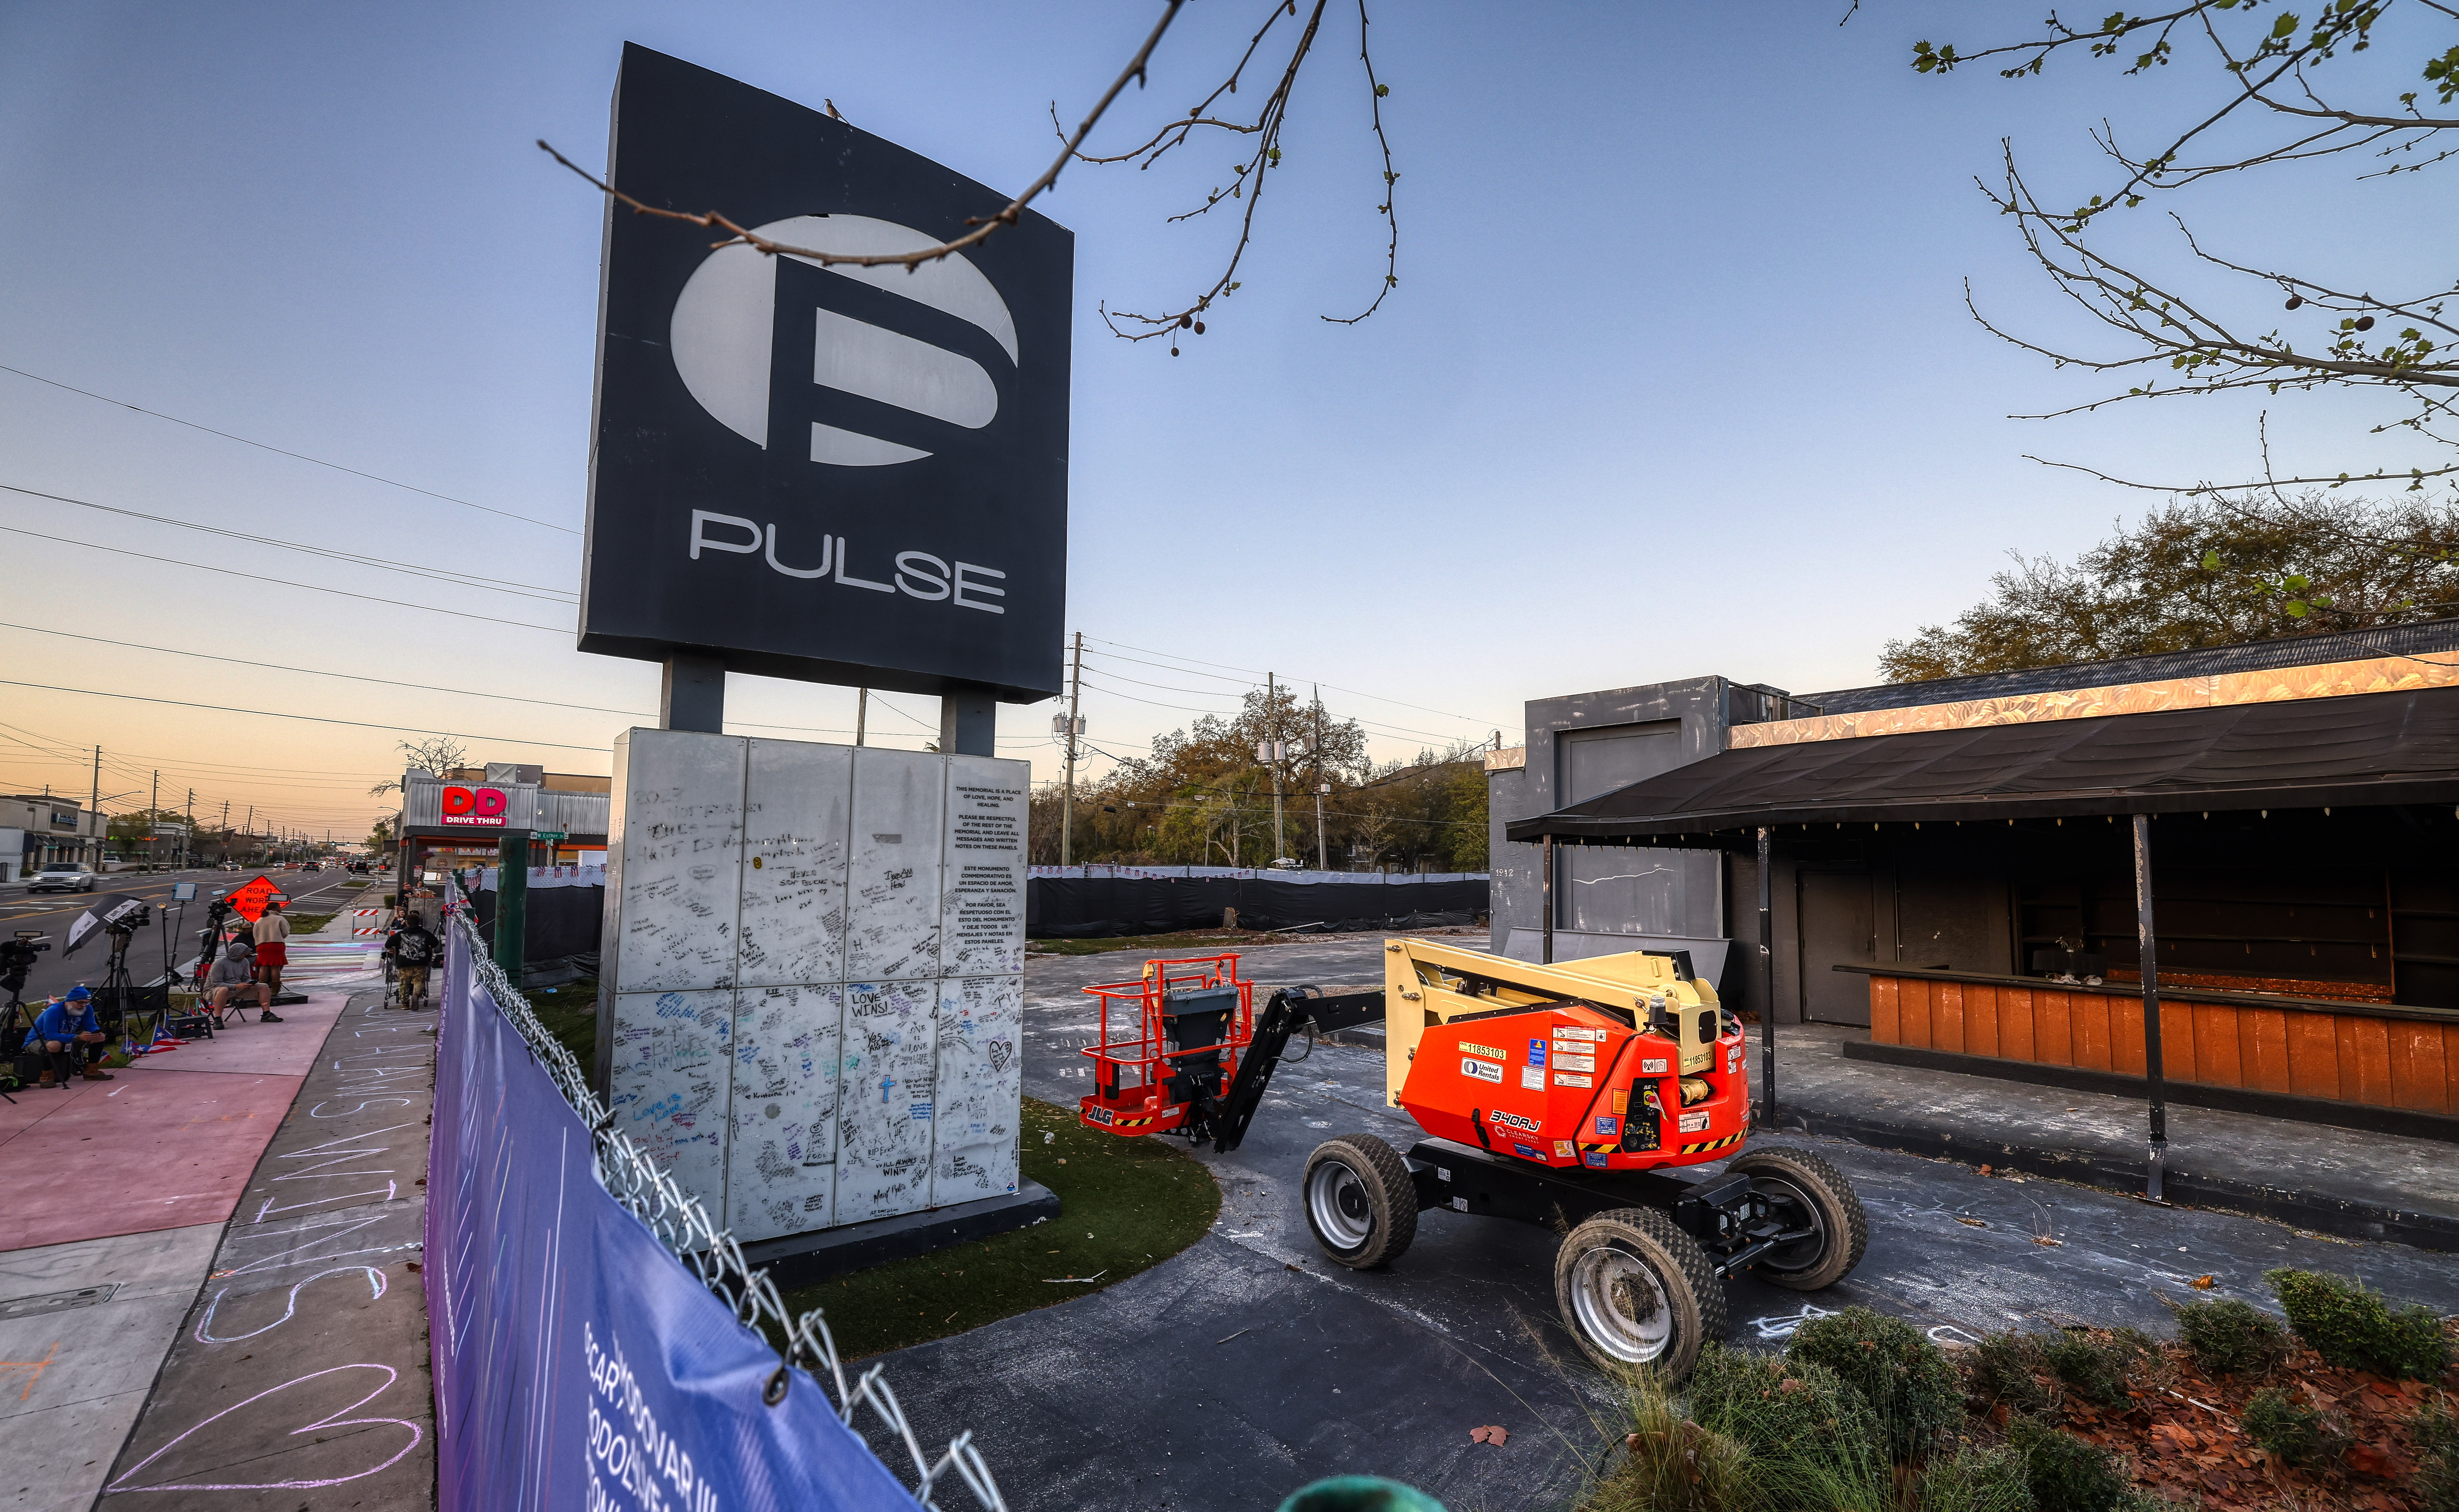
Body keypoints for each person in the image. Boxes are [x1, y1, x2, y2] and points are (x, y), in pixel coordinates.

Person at [30, 986, 110, 1087]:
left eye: (87, 1002)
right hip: (39, 1041)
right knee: (54, 1045)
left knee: (100, 1037)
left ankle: (92, 1071)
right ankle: (46, 1077)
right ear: (69, 1002)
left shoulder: (87, 1008)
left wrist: (96, 1031)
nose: (84, 1005)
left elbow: (90, 1025)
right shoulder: (54, 1011)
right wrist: (77, 1038)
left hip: (65, 1038)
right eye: (80, 1003)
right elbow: (50, 1035)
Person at [203, 942, 272, 1025]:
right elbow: (216, 983)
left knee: (264, 987)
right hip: (214, 990)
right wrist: (236, 986)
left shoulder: (245, 962)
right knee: (224, 990)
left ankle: (266, 1014)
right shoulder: (219, 963)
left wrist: (250, 984)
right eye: (244, 954)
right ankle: (218, 1019)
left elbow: (246, 977)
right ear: (237, 954)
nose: (245, 955)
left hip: (238, 988)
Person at [389, 915, 439, 1009]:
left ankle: (405, 1004)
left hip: (404, 963)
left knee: (404, 983)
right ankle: (416, 995)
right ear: (419, 923)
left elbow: (388, 944)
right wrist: (429, 948)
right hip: (420, 963)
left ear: (407, 923)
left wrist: (393, 950)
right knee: (419, 982)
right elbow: (436, 942)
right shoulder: (425, 933)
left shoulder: (400, 934)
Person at [253, 900, 291, 999]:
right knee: (275, 968)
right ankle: (275, 989)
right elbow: (286, 932)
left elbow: (255, 934)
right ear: (274, 909)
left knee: (263, 967)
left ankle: (262, 989)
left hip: (262, 946)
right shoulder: (280, 919)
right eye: (279, 907)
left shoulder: (260, 920)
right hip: (276, 945)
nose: (281, 909)